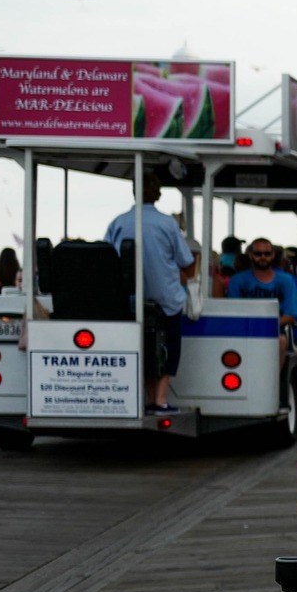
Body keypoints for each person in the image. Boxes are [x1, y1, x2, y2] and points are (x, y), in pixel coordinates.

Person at [105, 171, 195, 413]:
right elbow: (186, 262)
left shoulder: (119, 222)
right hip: (166, 299)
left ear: (134, 191)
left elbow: (107, 257)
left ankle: (146, 398)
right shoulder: (167, 224)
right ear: (157, 193)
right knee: (169, 349)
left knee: (141, 349)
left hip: (130, 300)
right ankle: (160, 400)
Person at [227, 239, 297, 369]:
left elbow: (291, 315)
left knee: (281, 341)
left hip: (277, 332)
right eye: (258, 253)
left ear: (272, 255)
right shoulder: (237, 281)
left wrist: (264, 325)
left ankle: (274, 383)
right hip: (243, 331)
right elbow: (232, 312)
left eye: (267, 254)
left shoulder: (286, 281)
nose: (263, 257)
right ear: (250, 255)